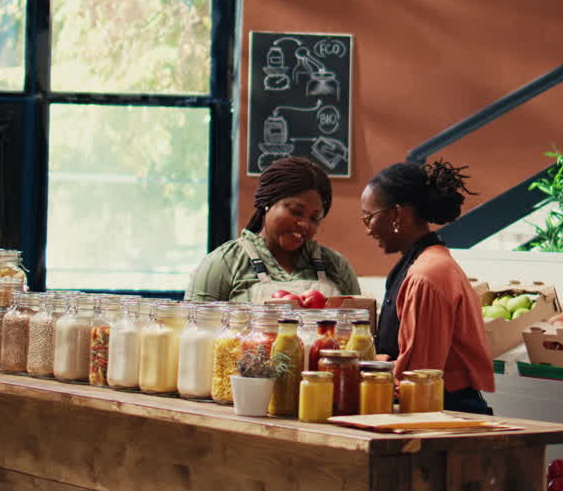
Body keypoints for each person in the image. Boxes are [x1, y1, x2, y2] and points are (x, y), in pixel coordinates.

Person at [361, 159, 495, 415]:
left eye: (369, 217)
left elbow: (419, 374)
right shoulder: (421, 264)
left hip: (446, 413)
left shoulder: (427, 275)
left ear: (397, 214)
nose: (368, 229)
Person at [187, 156, 361, 302]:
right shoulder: (223, 264)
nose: (305, 224)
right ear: (267, 203)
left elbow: (360, 334)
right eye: (295, 211)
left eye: (314, 218)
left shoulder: (337, 267)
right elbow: (194, 332)